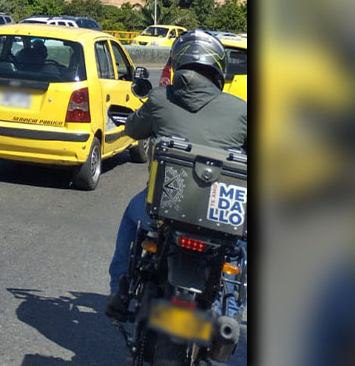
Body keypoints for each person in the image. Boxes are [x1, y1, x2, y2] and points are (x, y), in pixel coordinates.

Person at [104, 29, 248, 320]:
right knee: (239, 248)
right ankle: (231, 313)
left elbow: (132, 129)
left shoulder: (159, 99)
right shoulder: (240, 110)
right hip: (220, 216)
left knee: (132, 217)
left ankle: (120, 288)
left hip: (164, 208)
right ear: (218, 70)